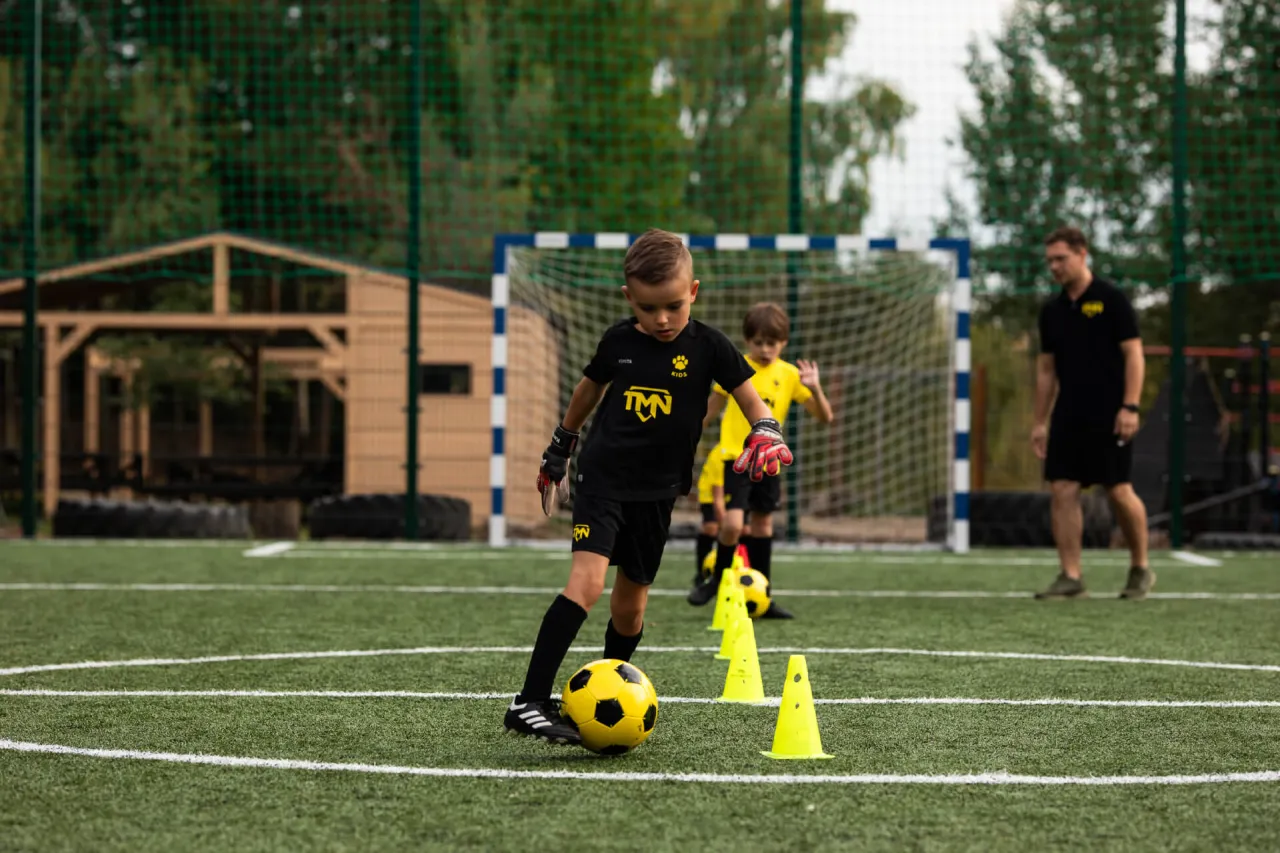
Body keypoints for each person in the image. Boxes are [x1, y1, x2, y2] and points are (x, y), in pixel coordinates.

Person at [504, 228, 794, 744]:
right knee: (588, 584)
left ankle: (603, 694)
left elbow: (750, 396)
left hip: (658, 492)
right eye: (647, 307)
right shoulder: (618, 341)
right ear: (628, 299)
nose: (661, 319)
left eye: (673, 306)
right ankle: (527, 702)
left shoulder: (710, 347)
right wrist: (561, 445)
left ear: (694, 293)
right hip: (603, 479)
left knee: (631, 608)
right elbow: (588, 387)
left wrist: (765, 427)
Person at [687, 302, 833, 618]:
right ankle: (717, 579)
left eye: (772, 343)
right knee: (734, 523)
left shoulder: (790, 375)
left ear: (784, 342)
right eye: (758, 342)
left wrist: (816, 389)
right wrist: (683, 435)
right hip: (735, 459)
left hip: (768, 461)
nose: (765, 349)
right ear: (747, 341)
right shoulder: (735, 368)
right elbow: (709, 410)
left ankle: (763, 595)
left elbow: (825, 417)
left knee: (763, 525)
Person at [1032, 226, 1151, 600]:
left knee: (1117, 490)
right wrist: (1039, 421)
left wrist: (1130, 405)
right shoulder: (1051, 312)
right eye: (1050, 260)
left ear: (1083, 254)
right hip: (1068, 413)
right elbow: (1047, 370)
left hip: (1111, 412)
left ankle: (1140, 567)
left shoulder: (1112, 300)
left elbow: (1134, 355)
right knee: (1063, 488)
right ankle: (1071, 575)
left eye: (1061, 259)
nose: (1054, 267)